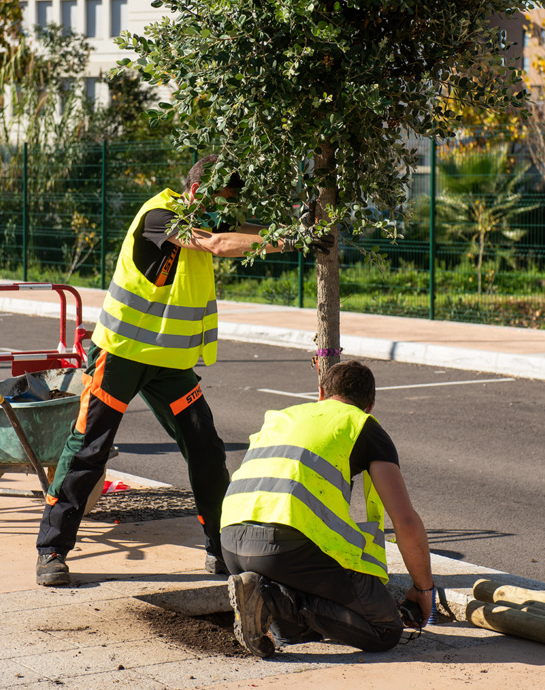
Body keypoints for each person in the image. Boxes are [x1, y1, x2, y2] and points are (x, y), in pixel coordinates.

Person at [36, 154, 333, 586]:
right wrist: (288, 242)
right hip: (120, 355)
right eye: (221, 204)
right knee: (88, 450)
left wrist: (295, 232)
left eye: (230, 207)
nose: (226, 214)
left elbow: (235, 233)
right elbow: (216, 243)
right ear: (198, 192)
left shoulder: (204, 215)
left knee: (207, 450)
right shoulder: (160, 215)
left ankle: (219, 548)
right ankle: (52, 551)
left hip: (170, 366)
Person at [221, 360, 434, 657]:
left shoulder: (281, 417)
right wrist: (424, 589)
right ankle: (270, 598)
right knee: (385, 631)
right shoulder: (360, 425)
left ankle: (263, 597)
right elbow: (406, 522)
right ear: (369, 406)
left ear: (320, 392)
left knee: (298, 635)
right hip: (287, 546)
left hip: (231, 542)